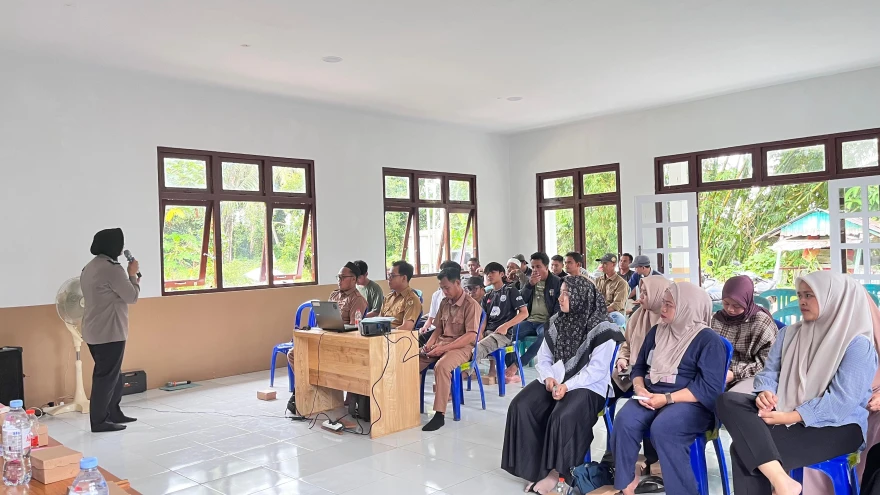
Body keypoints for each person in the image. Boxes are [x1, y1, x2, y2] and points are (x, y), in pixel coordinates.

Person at [716, 272, 878, 495]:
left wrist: (790, 416)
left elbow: (841, 403)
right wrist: (765, 392)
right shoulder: (789, 334)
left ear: (833, 298)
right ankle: (784, 482)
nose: (802, 301)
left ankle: (784, 484)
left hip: (839, 426)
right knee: (728, 400)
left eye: (810, 295)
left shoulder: (858, 345)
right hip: (786, 408)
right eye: (800, 295)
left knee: (743, 450)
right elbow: (769, 372)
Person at [502, 276, 624, 494]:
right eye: (561, 292)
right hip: (558, 378)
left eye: (566, 293)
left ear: (581, 297)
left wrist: (567, 386)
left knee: (563, 416)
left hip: (589, 386)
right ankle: (535, 469)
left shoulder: (603, 328)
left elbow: (596, 370)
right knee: (521, 405)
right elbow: (544, 357)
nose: (560, 298)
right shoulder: (557, 321)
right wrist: (549, 377)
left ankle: (557, 473)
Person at [611, 282, 727, 495]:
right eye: (663, 303)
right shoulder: (658, 331)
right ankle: (626, 485)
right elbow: (639, 367)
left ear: (686, 307)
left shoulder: (708, 340)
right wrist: (639, 387)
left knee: (664, 428)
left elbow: (708, 388)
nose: (662, 309)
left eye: (669, 305)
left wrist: (667, 399)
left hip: (691, 402)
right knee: (625, 420)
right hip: (652, 393)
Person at [610, 275, 672, 485]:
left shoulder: (668, 320)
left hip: (655, 377)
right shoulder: (638, 316)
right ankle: (616, 453)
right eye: (641, 292)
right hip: (632, 371)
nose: (641, 297)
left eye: (646, 293)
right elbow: (626, 344)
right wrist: (622, 358)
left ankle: (653, 460)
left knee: (645, 407)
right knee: (603, 393)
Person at [80, 228, 140, 432]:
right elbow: (132, 297)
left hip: (93, 330)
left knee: (113, 375)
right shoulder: (112, 269)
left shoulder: (90, 266)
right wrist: (132, 275)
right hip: (109, 332)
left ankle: (114, 412)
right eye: (120, 243)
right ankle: (99, 421)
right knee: (105, 377)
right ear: (113, 245)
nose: (122, 247)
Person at [288, 262, 368, 412]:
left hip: (341, 343)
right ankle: (304, 386)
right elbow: (326, 318)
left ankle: (313, 389)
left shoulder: (357, 299)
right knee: (293, 354)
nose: (339, 280)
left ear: (353, 279)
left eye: (343, 277)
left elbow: (355, 328)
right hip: (325, 337)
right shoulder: (334, 294)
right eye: (338, 277)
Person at [419, 267, 481, 431]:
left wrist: (444, 348)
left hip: (462, 347)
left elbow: (471, 336)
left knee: (442, 366)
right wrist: (429, 345)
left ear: (458, 283)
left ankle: (439, 415)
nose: (444, 292)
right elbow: (438, 329)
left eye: (447, 288)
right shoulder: (444, 302)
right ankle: (408, 404)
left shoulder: (471, 305)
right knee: (413, 360)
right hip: (442, 343)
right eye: (442, 288)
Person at [710, 275, 778, 394]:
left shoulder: (760, 323)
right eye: (726, 303)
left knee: (730, 400)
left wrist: (734, 374)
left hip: (751, 376)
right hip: (718, 373)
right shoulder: (717, 319)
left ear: (747, 301)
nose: (730, 309)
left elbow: (768, 364)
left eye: (737, 305)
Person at [504, 253, 561, 384]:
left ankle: (517, 365)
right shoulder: (530, 281)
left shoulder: (557, 282)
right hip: (530, 321)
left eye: (538, 266)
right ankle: (512, 371)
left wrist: (550, 323)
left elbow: (558, 309)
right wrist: (529, 285)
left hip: (546, 321)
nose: (535, 270)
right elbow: (521, 300)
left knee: (544, 337)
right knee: (508, 333)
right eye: (533, 267)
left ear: (546, 267)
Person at [472, 262, 529, 374]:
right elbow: (484, 319)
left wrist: (506, 326)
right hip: (489, 333)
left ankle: (463, 374)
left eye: (493, 272)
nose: (489, 275)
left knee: (479, 347)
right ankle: (469, 372)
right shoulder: (487, 295)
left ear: (502, 274)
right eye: (487, 273)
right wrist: (480, 333)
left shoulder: (511, 290)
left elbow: (524, 313)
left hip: (504, 335)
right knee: (468, 344)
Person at [420, 261, 462, 345]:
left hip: (448, 334)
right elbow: (431, 318)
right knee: (418, 338)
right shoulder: (437, 295)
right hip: (436, 329)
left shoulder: (463, 298)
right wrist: (425, 327)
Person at [380, 260, 422, 330]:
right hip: (382, 334)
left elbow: (406, 328)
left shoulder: (411, 299)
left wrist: (388, 333)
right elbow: (379, 321)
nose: (389, 279)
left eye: (392, 276)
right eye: (389, 275)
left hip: (397, 335)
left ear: (404, 278)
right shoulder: (388, 298)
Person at [595, 253, 629, 327]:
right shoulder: (597, 280)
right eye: (601, 263)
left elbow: (617, 305)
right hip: (597, 310)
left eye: (605, 263)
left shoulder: (621, 283)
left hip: (612, 312)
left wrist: (600, 312)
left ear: (613, 265)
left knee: (618, 318)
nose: (602, 265)